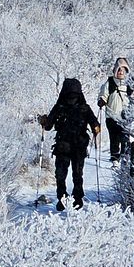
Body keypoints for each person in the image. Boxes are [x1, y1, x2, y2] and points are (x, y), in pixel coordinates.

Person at [40, 78, 102, 211]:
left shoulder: (60, 107)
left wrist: (44, 121)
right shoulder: (84, 108)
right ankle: (77, 199)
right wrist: (96, 128)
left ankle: (63, 199)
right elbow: (95, 125)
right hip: (76, 146)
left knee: (61, 174)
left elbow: (48, 126)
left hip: (65, 146)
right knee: (77, 174)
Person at [97, 56, 134, 163]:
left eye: (123, 70)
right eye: (119, 69)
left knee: (124, 138)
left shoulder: (129, 84)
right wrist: (102, 100)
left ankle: (125, 157)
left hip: (125, 117)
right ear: (115, 70)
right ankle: (115, 158)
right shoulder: (110, 82)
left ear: (126, 71)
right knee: (114, 138)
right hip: (111, 115)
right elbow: (103, 94)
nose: (121, 72)